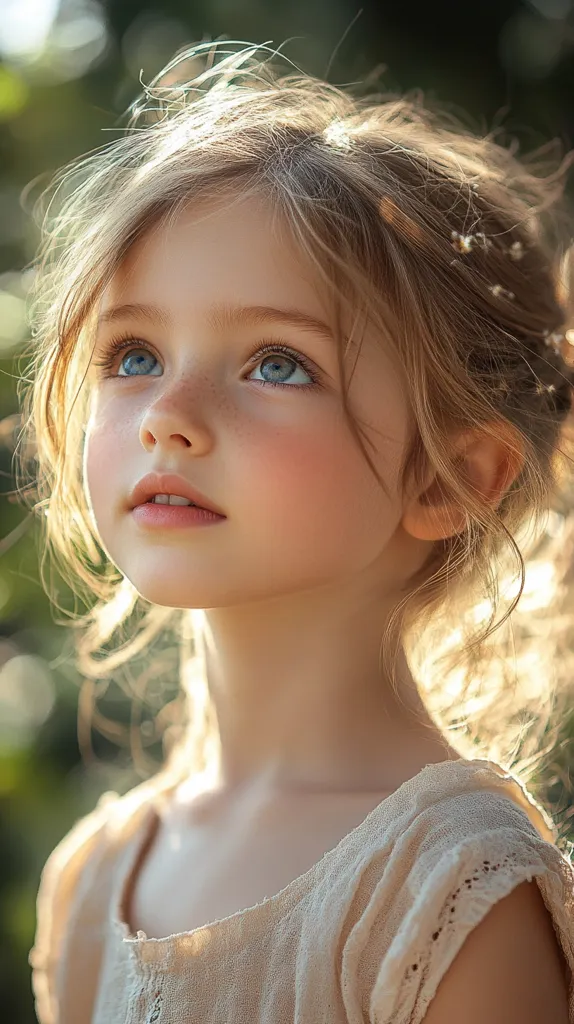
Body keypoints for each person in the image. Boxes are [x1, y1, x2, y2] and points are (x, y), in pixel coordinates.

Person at [22, 39, 574, 1024]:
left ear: (452, 478)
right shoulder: (96, 882)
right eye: (134, 352)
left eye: (276, 363)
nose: (168, 413)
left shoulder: (451, 895)